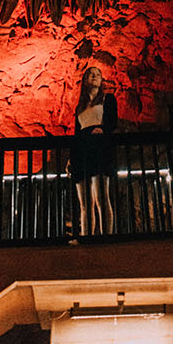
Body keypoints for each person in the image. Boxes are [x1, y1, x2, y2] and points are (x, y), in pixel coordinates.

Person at [70, 65, 118, 237]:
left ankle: (106, 237)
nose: (95, 77)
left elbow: (113, 121)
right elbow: (77, 131)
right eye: (91, 74)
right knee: (85, 201)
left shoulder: (107, 99)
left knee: (101, 196)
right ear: (85, 80)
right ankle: (86, 237)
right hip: (82, 147)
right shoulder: (80, 106)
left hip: (98, 146)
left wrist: (103, 129)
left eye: (98, 74)